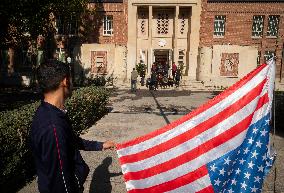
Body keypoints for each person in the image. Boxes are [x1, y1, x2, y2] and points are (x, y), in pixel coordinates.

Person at [30, 59, 115, 193]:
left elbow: (71, 140)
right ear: (65, 81)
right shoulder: (53, 127)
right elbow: (61, 182)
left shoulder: (49, 112)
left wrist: (100, 145)